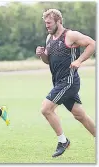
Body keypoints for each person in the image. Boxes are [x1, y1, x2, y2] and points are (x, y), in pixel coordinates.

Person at [36, 9, 95, 157]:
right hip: (58, 82)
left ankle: (63, 141)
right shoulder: (49, 38)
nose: (47, 26)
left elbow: (92, 44)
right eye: (45, 24)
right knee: (79, 115)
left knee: (46, 109)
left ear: (58, 21)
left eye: (49, 23)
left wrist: (79, 60)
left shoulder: (70, 35)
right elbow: (47, 60)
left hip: (69, 81)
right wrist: (42, 54)